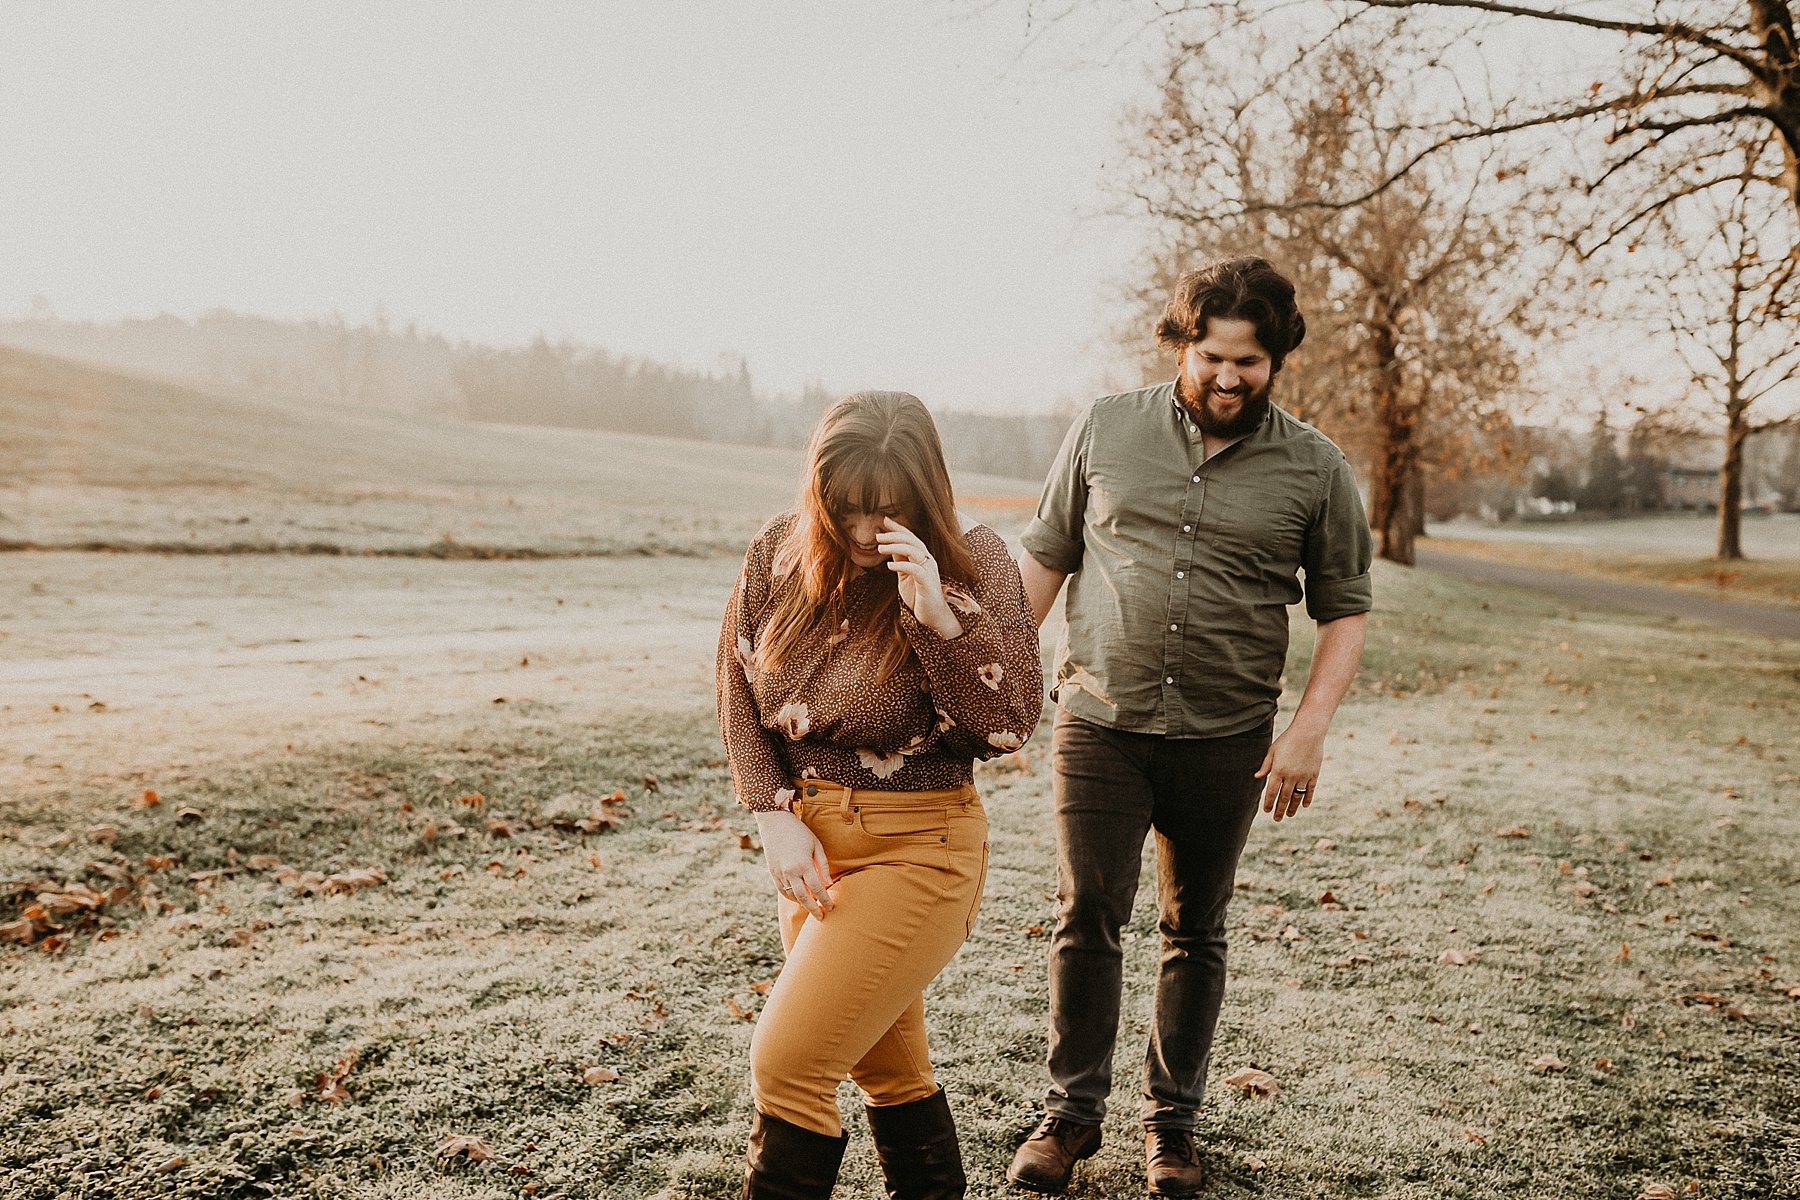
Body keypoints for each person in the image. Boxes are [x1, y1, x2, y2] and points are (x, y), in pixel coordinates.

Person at [1005, 257, 1372, 1196]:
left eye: (1249, 362)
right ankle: (1069, 1118)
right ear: (1182, 344)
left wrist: (1309, 729)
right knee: (1087, 912)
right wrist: (994, 684)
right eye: (1212, 356)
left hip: (1228, 736)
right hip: (1100, 721)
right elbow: (1042, 564)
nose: (1227, 378)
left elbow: (1345, 610)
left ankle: (1172, 1128)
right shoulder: (1105, 428)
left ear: (1276, 360)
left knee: (1194, 928)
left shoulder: (1318, 468)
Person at [717, 390, 1044, 1200]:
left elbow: (1007, 726)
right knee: (888, 1070)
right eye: (847, 508)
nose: (865, 531)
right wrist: (771, 814)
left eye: (889, 510)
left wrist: (937, 618)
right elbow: (734, 683)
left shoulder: (979, 564)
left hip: (919, 849)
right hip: (812, 847)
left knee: (788, 1063)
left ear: (926, 496)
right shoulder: (777, 556)